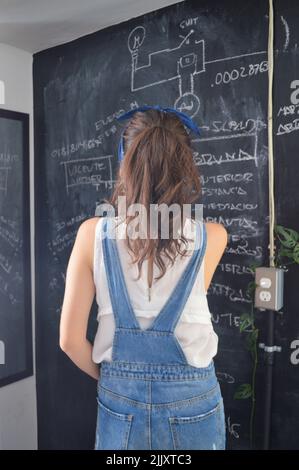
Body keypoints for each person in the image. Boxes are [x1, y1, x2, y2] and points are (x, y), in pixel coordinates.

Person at [59, 106, 228, 450]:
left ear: (125, 164)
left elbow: (70, 341)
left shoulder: (92, 234)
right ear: (186, 167)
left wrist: (119, 381)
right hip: (193, 401)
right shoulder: (214, 236)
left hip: (120, 401)